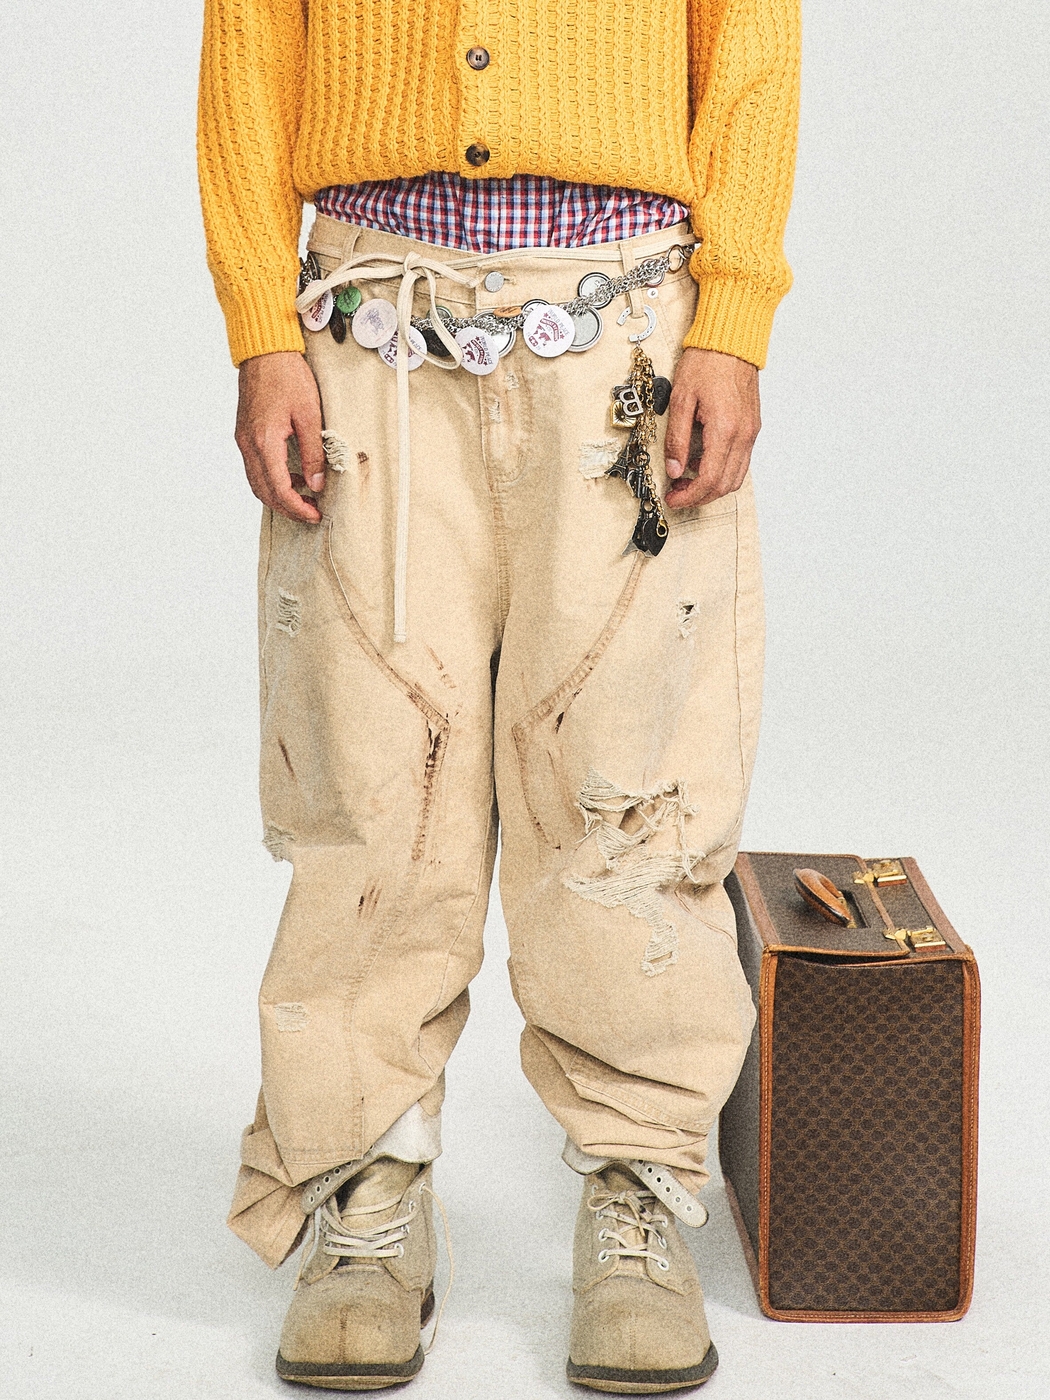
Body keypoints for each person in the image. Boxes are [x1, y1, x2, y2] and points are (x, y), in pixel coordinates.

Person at [198, 0, 799, 1390]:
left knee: (628, 783)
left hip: (625, 331)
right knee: (368, 781)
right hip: (370, 325)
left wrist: (735, 319)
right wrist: (258, 327)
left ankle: (640, 1180)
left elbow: (752, 48)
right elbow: (248, 45)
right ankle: (360, 1181)